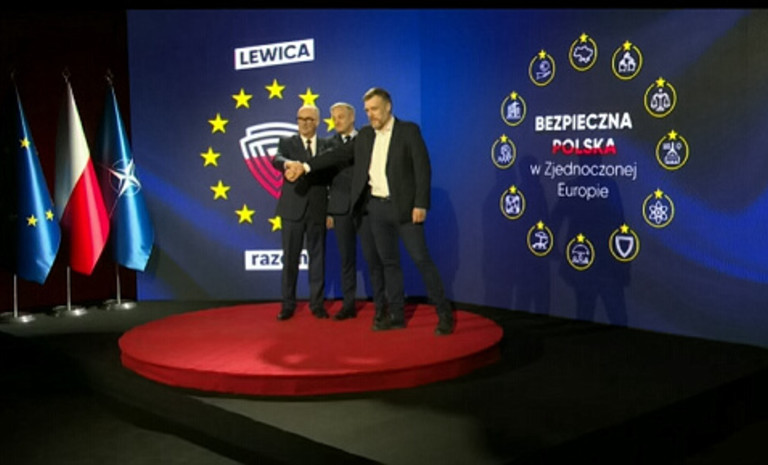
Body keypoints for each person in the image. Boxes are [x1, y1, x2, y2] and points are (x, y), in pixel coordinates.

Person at [286, 88, 455, 335]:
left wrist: (420, 204)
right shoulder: (365, 135)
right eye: (367, 110)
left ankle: (444, 314)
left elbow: (422, 169)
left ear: (388, 107)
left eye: (374, 109)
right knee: (389, 263)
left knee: (421, 259)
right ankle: (396, 315)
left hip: (405, 209)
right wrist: (305, 166)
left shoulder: (408, 131)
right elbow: (338, 154)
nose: (370, 114)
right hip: (375, 209)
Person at [272, 104, 333, 321]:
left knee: (317, 259)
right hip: (292, 210)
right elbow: (277, 159)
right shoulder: (287, 142)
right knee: (290, 259)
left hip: (318, 209)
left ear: (318, 122)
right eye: (301, 119)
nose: (305, 123)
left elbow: (329, 170)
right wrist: (289, 164)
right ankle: (288, 305)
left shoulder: (327, 145)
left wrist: (331, 212)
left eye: (309, 119)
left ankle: (317, 304)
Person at [325, 102, 359, 320]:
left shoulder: (367, 139)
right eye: (334, 117)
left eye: (341, 116)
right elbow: (326, 180)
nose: (337, 121)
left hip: (366, 208)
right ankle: (348, 304)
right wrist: (329, 212)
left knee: (377, 257)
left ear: (352, 117)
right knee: (346, 258)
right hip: (339, 209)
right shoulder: (328, 145)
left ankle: (383, 304)